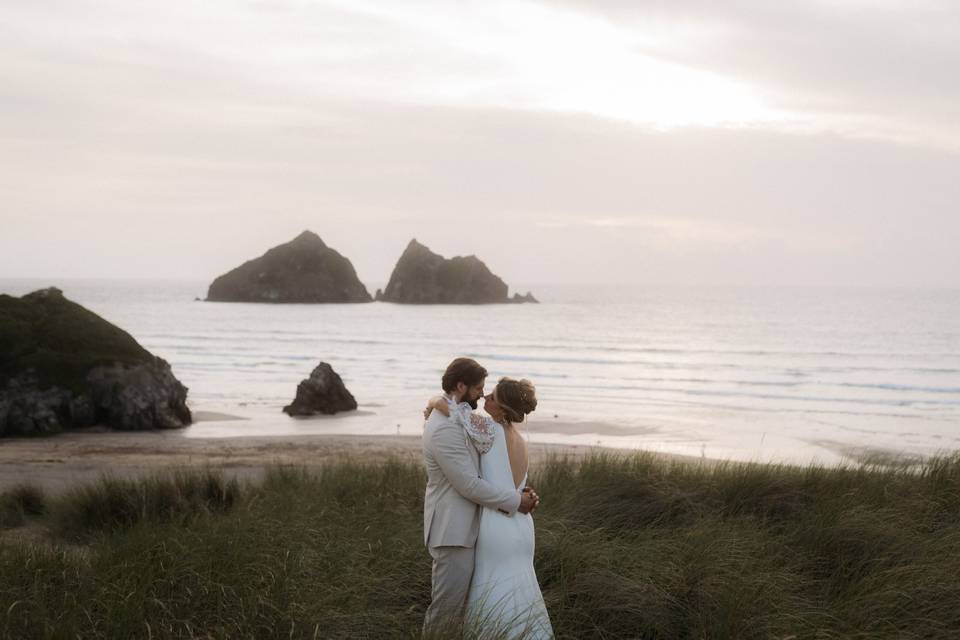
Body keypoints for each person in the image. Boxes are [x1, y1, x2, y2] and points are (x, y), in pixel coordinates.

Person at [425, 374, 554, 639]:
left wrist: (432, 403)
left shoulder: (486, 429)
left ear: (503, 408)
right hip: (522, 527)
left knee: (491, 592)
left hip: (497, 524)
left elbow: (448, 406)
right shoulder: (521, 440)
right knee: (522, 594)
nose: (485, 396)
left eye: (492, 396)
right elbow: (516, 485)